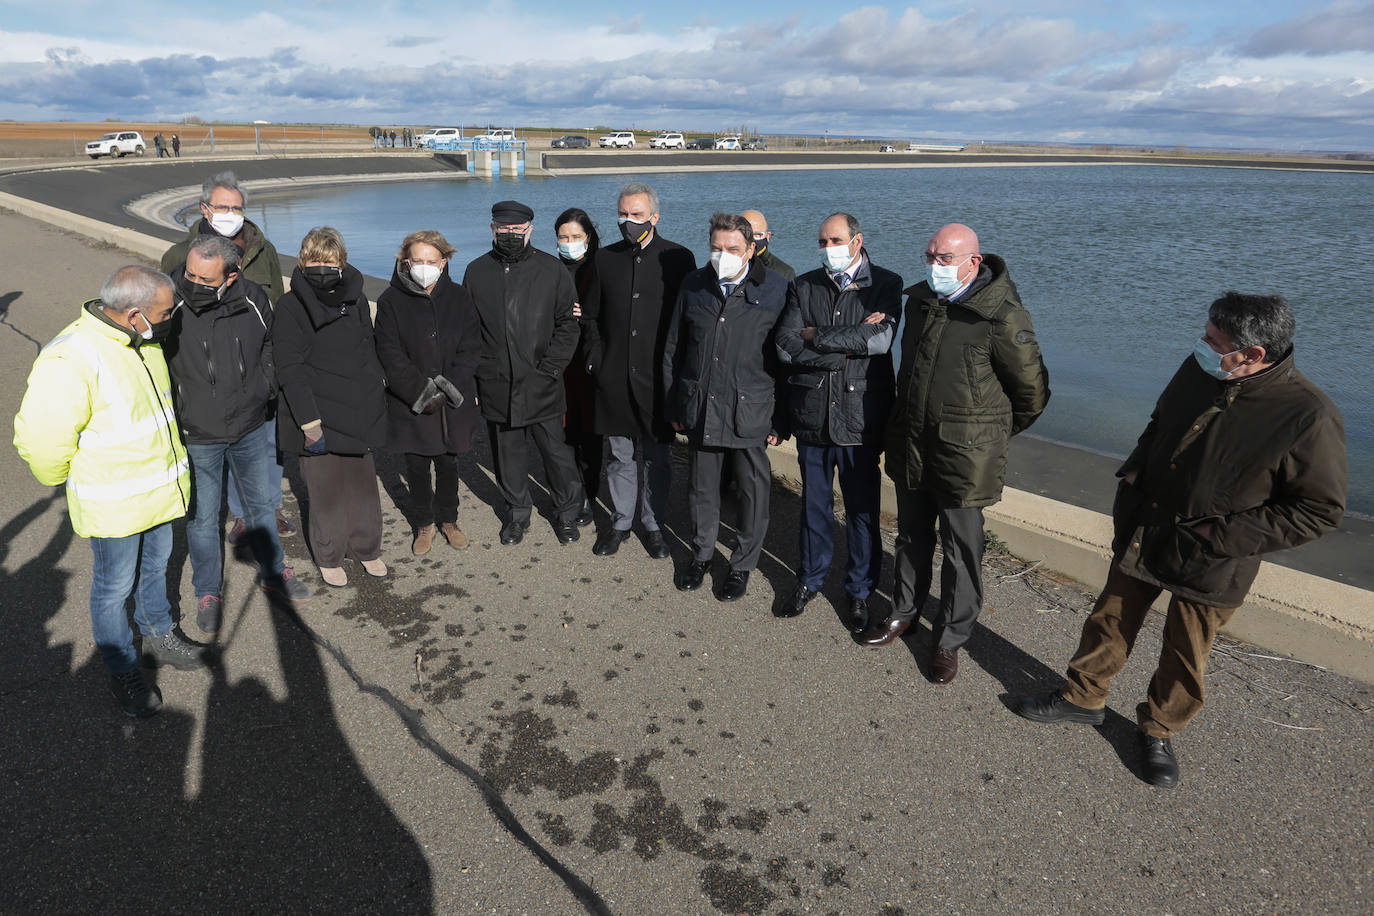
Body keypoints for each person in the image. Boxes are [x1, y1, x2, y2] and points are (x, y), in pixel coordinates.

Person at [1015, 292, 1346, 788]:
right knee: (1110, 618)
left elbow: (1318, 510)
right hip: (1148, 524)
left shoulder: (1308, 415)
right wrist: (1134, 472)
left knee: (1186, 651)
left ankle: (1159, 729)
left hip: (1217, 558)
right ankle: (1082, 698)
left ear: (1254, 354)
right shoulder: (1200, 371)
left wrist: (1222, 534)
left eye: (1215, 341)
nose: (1202, 345)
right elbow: (1159, 422)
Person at [14, 265, 210, 718]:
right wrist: (67, 479)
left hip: (159, 493)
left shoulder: (140, 342)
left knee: (156, 569)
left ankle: (159, 634)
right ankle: (122, 667)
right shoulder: (71, 357)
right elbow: (41, 439)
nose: (170, 319)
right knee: (113, 587)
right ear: (134, 312)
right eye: (165, 313)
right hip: (114, 504)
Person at [859, 223, 1049, 686]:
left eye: (944, 258)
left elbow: (1032, 394)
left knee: (963, 550)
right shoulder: (921, 301)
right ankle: (903, 613)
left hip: (966, 455)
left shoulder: (1002, 314)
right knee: (911, 536)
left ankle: (949, 639)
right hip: (914, 442)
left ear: (973, 262)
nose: (934, 266)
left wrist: (985, 436)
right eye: (929, 256)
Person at [164, 235, 312, 632]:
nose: (192, 283)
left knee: (263, 505)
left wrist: (264, 386)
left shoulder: (253, 299)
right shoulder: (170, 303)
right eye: (190, 274)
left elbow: (269, 347)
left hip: (248, 424)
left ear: (232, 276)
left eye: (204, 279)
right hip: (197, 433)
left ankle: (274, 572)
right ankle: (207, 591)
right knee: (202, 518)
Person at [774, 212, 901, 630]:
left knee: (863, 512)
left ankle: (860, 591)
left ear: (857, 240)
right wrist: (844, 345)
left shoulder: (885, 284)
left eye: (835, 240)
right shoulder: (804, 283)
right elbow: (786, 345)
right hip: (812, 414)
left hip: (859, 419)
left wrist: (817, 334)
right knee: (814, 508)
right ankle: (809, 580)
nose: (828, 247)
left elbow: (880, 342)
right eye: (822, 241)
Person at [160, 171, 293, 542]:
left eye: (237, 207)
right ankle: (241, 514)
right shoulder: (177, 254)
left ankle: (268, 507)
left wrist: (270, 377)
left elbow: (275, 309)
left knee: (266, 446)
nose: (231, 213)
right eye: (222, 207)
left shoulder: (261, 250)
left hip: (256, 377)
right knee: (225, 451)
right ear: (205, 208)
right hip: (208, 379)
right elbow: (165, 319)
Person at [663, 212, 788, 602]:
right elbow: (674, 348)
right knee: (701, 488)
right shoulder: (694, 284)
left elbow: (787, 359)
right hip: (701, 405)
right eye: (716, 248)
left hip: (750, 410)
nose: (723, 255)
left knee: (753, 492)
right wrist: (674, 402)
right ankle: (701, 555)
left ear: (751, 248)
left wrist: (782, 418)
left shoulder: (778, 289)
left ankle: (741, 565)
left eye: (732, 248)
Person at [582, 182, 697, 559]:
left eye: (636, 215)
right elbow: (593, 316)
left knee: (657, 458)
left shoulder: (679, 258)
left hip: (657, 378)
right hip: (613, 375)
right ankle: (620, 522)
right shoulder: (604, 258)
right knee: (619, 455)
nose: (627, 221)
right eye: (623, 214)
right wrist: (596, 359)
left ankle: (653, 524)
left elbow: (688, 323)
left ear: (654, 217)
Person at [462, 200, 585, 546]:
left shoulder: (552, 270)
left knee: (557, 457)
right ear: (492, 229)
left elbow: (568, 325)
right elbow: (469, 331)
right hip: (497, 382)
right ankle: (517, 514)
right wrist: (477, 375)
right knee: (508, 456)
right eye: (503, 229)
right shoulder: (476, 272)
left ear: (530, 229)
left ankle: (567, 513)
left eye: (517, 230)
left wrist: (550, 368)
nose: (510, 235)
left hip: (543, 383)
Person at [272, 227, 388, 587]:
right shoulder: (290, 306)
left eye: (330, 260)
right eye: (315, 260)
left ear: (342, 262)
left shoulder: (354, 299)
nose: (322, 266)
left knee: (363, 486)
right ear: (303, 262)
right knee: (325, 491)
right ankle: (329, 554)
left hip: (356, 406)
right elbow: (288, 367)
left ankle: (367, 547)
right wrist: (309, 422)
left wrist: (376, 397)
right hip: (316, 413)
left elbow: (368, 349)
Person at [374, 231, 481, 555]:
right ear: (406, 262)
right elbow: (390, 355)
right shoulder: (391, 301)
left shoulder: (460, 297)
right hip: (411, 403)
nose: (424, 267)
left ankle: (449, 520)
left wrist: (449, 387)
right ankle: (424, 524)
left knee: (449, 466)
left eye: (430, 261)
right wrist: (421, 392)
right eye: (417, 261)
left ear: (443, 262)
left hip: (452, 401)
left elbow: (471, 346)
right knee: (417, 468)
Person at [554, 207, 603, 525]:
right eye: (563, 237)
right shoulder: (550, 269)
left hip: (589, 365)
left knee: (590, 437)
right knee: (562, 438)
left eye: (576, 237)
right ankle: (567, 494)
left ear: (589, 238)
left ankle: (589, 494)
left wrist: (585, 312)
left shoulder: (600, 268)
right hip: (558, 366)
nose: (569, 242)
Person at [742, 209, 795, 281]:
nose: (751, 240)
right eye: (745, 234)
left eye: (757, 235)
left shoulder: (784, 272)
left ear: (767, 236)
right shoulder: (726, 266)